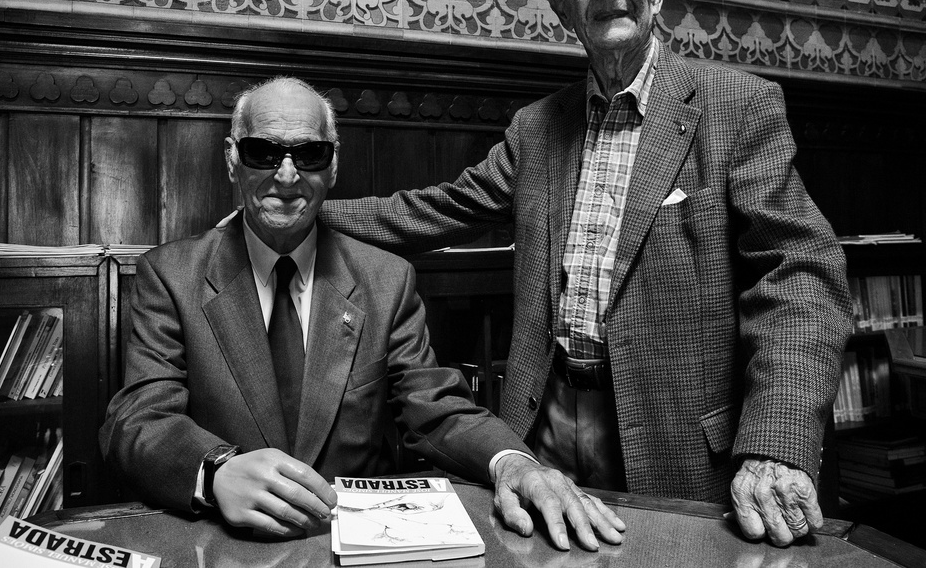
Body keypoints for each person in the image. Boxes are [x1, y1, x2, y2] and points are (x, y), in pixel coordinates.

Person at [319, 0, 851, 548]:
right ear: (562, 6)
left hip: (676, 443)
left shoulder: (737, 105)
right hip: (545, 428)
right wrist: (301, 210)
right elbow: (437, 208)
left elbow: (803, 276)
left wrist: (777, 442)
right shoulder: (537, 127)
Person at [99, 76, 626, 551]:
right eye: (263, 152)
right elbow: (136, 422)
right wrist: (215, 473)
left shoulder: (385, 281)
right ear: (232, 158)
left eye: (309, 154)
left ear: (333, 166)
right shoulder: (171, 276)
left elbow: (437, 411)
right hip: (222, 548)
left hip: (357, 550)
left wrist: (515, 462)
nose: (287, 175)